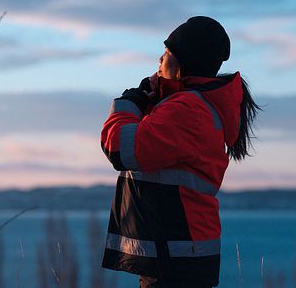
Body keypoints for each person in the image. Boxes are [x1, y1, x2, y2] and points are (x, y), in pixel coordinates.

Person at [100, 16, 261, 287]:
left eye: (164, 54)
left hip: (175, 262)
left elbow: (120, 149)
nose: (158, 62)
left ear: (180, 63)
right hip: (178, 256)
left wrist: (129, 102)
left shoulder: (188, 111)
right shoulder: (184, 107)